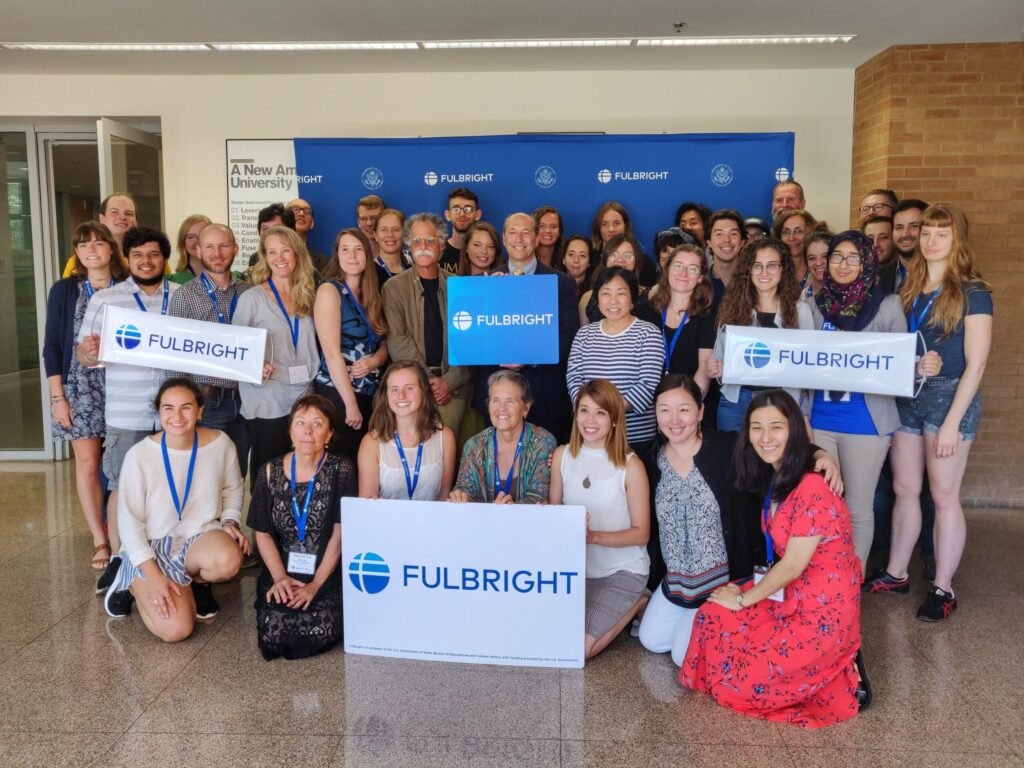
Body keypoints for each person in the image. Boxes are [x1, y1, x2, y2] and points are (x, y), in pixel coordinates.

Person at [680, 389, 867, 727]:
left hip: (821, 611)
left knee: (746, 679)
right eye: (756, 427)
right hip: (788, 594)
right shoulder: (775, 473)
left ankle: (844, 669)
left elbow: (794, 564)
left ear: (794, 430)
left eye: (776, 427)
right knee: (711, 616)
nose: (765, 437)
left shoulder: (812, 485)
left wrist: (743, 599)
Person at [638, 376, 843, 666]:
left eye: (683, 409)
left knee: (683, 655)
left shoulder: (727, 447)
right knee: (652, 640)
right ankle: (696, 619)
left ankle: (716, 620)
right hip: (679, 583)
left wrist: (819, 454)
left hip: (725, 581)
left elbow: (777, 451)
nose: (674, 420)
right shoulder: (649, 458)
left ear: (700, 411)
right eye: (664, 410)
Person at [866, 204, 992, 622]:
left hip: (949, 397)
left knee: (943, 496)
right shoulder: (910, 286)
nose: (932, 241)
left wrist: (954, 422)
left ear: (958, 240)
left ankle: (943, 587)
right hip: (908, 395)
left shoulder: (974, 291)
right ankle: (897, 572)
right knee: (904, 488)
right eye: (927, 233)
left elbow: (976, 363)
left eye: (942, 233)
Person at [76, 226, 180, 594]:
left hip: (176, 415)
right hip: (127, 411)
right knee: (121, 486)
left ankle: (168, 559)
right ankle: (121, 559)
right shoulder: (106, 300)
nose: (146, 261)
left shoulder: (181, 298)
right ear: (128, 258)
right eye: (138, 255)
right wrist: (89, 351)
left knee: (171, 485)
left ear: (164, 258)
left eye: (153, 254)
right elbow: (84, 354)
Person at [103, 378, 249, 636]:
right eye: (168, 408)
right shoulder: (139, 456)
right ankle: (130, 581)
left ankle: (198, 583)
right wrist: (155, 576)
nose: (177, 416)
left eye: (186, 407)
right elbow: (129, 524)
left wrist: (229, 522)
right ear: (159, 412)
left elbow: (233, 488)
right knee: (176, 631)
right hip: (150, 547)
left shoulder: (220, 443)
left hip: (196, 538)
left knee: (228, 559)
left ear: (200, 410)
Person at [807, 231, 907, 574]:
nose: (843, 264)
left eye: (853, 257)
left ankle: (852, 579)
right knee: (822, 504)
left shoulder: (887, 305)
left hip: (866, 421)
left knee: (858, 506)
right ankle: (822, 578)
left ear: (867, 262)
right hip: (818, 420)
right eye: (837, 257)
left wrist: (918, 365)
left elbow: (899, 365)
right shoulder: (813, 305)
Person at [44, 221, 129, 570]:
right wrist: (57, 398)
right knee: (90, 463)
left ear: (111, 248)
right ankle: (100, 539)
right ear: (77, 253)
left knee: (127, 465)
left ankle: (130, 534)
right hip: (80, 387)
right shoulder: (65, 290)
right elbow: (52, 346)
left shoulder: (129, 287)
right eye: (83, 245)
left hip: (125, 382)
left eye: (98, 242)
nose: (91, 249)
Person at [248, 394, 355, 661]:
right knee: (273, 634)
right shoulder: (270, 471)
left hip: (326, 571)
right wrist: (280, 578)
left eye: (318, 424)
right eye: (300, 423)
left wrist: (316, 584)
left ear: (329, 434)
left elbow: (340, 534)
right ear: (290, 431)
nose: (308, 431)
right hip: (282, 569)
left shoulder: (342, 469)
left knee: (320, 629)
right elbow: (261, 532)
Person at [549, 379, 650, 659]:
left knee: (578, 649)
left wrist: (592, 536)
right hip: (574, 571)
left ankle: (640, 600)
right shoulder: (561, 456)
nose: (589, 420)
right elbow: (555, 514)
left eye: (600, 412)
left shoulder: (631, 466)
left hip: (622, 570)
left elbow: (641, 534)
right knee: (550, 636)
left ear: (614, 419)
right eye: (584, 410)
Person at [469, 213, 580, 442]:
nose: (519, 238)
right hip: (495, 393)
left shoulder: (562, 283)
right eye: (512, 232)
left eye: (526, 232)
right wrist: (488, 297)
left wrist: (528, 357)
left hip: (543, 394)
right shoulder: (483, 282)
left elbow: (567, 336)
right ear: (503, 238)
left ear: (537, 237)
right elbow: (470, 338)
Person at [233, 226, 319, 490]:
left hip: (304, 397)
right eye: (272, 252)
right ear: (264, 257)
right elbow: (235, 349)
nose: (279, 258)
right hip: (267, 399)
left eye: (285, 250)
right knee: (268, 476)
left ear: (297, 253)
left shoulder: (309, 293)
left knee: (302, 473)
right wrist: (253, 364)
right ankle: (263, 530)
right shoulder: (252, 298)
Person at [168, 223, 252, 477]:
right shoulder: (185, 296)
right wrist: (186, 406)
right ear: (199, 251)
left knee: (237, 474)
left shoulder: (249, 292)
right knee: (206, 474)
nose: (217, 253)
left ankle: (231, 519)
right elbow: (175, 357)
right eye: (209, 247)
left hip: (247, 398)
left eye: (224, 245)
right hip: (208, 402)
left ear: (235, 249)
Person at [706, 237, 815, 431]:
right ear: (748, 270)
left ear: (783, 269)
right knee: (734, 460)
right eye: (757, 266)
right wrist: (716, 369)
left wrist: (804, 412)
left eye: (772, 265)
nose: (764, 272)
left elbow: (809, 366)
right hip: (736, 403)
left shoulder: (801, 311)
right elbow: (720, 361)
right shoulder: (732, 309)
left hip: (783, 403)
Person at [382, 212, 471, 435]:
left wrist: (448, 383)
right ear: (408, 247)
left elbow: (470, 344)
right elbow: (399, 342)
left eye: (431, 240)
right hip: (412, 391)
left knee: (449, 459)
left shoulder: (460, 287)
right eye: (416, 240)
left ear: (442, 245)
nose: (423, 246)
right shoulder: (393, 289)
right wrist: (428, 383)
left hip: (452, 392)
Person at [567, 268, 663, 452]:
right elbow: (574, 378)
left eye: (621, 293)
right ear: (598, 299)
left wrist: (604, 414)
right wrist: (591, 416)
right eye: (606, 293)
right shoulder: (584, 334)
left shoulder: (648, 333)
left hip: (634, 438)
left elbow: (647, 385)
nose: (613, 301)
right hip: (591, 433)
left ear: (632, 299)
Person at [313, 228, 389, 460]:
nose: (352, 256)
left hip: (370, 394)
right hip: (339, 395)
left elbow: (386, 344)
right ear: (337, 255)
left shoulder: (372, 294)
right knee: (343, 464)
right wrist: (350, 404)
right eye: (345, 250)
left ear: (367, 255)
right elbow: (332, 354)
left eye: (358, 250)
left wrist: (374, 361)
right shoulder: (329, 291)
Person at [450, 370, 556, 504]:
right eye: (495, 400)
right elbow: (465, 489)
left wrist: (508, 510)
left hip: (527, 524)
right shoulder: (474, 445)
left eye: (510, 401)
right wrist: (461, 497)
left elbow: (539, 497)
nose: (502, 408)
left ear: (526, 408)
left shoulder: (543, 442)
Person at [357, 361, 456, 500]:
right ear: (386, 396)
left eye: (409, 388)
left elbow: (444, 496)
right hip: (387, 521)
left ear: (424, 390)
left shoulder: (445, 436)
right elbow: (367, 504)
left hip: (432, 521)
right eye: (394, 389)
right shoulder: (371, 442)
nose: (401, 396)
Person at [646, 245, 715, 392]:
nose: (683, 273)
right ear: (668, 270)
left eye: (692, 269)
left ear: (700, 277)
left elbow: (704, 368)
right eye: (678, 266)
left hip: (692, 402)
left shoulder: (707, 315)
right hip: (651, 404)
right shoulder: (648, 311)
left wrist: (689, 405)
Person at [578, 233, 657, 326]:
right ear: (605, 259)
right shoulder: (587, 299)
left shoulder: (652, 297)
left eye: (627, 255)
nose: (620, 260)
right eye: (613, 254)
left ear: (636, 261)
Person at [61, 193, 137, 277]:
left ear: (136, 221)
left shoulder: (145, 257)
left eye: (129, 213)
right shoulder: (81, 261)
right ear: (102, 218)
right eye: (115, 212)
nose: (122, 217)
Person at [591, 202, 657, 285]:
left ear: (625, 226)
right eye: (605, 224)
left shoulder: (644, 262)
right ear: (598, 228)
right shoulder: (590, 259)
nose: (611, 229)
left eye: (617, 223)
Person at [771, 208, 819, 299]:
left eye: (799, 231)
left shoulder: (819, 268)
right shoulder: (773, 271)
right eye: (786, 232)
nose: (791, 238)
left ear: (810, 234)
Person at [886, 199, 929, 294]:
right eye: (899, 227)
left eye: (914, 226)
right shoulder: (879, 278)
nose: (905, 234)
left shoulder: (945, 277)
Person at [706, 210, 747, 309]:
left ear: (742, 242)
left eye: (733, 234)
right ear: (709, 242)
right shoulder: (698, 284)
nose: (727, 240)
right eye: (719, 234)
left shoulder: (754, 282)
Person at [440, 188, 482, 274]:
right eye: (456, 209)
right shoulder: (438, 252)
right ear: (448, 215)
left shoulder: (485, 253)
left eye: (468, 209)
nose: (462, 214)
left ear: (477, 215)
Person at [286, 198, 332, 274]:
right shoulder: (264, 257)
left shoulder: (325, 263)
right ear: (283, 219)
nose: (301, 213)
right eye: (295, 209)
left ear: (312, 224)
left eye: (307, 211)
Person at [247, 204, 296, 269]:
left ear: (291, 231)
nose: (269, 234)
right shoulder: (256, 258)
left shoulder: (310, 259)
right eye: (265, 229)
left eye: (276, 229)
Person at [169, 214, 212, 284]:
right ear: (183, 242)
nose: (197, 242)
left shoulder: (231, 279)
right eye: (191, 237)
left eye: (202, 235)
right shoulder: (174, 282)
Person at [372, 207, 409, 283]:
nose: (390, 235)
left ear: (404, 235)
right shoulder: (369, 272)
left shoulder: (413, 270)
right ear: (375, 235)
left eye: (396, 229)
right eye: (384, 230)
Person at [558, 234, 594, 300]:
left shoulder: (596, 289)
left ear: (589, 262)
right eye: (571, 254)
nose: (576, 260)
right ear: (563, 260)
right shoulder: (553, 286)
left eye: (582, 255)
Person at [803, 229, 833, 298]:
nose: (818, 263)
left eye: (825, 256)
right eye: (812, 258)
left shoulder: (848, 296)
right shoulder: (803, 297)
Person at [356, 194, 386, 259]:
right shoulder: (352, 255)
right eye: (363, 219)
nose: (369, 223)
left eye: (374, 218)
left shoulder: (402, 255)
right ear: (358, 222)